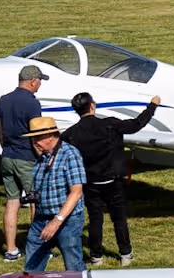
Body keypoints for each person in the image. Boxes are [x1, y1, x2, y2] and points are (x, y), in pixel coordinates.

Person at [0, 117, 87, 278]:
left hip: (66, 221)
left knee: (73, 268)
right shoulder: (43, 157)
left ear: (50, 136)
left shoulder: (70, 154)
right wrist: (33, 214)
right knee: (31, 269)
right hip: (42, 221)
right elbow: (39, 192)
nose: (34, 143)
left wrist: (56, 222)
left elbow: (76, 192)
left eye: (37, 138)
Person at [62, 91, 159, 266]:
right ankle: (125, 254)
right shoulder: (109, 125)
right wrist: (152, 106)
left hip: (90, 182)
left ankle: (96, 256)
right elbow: (136, 124)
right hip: (112, 181)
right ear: (92, 106)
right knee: (119, 218)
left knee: (95, 219)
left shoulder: (71, 133)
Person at [0, 65, 48, 262]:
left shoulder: (3, 100)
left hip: (7, 156)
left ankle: (10, 249)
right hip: (27, 158)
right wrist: (42, 154)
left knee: (12, 202)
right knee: (36, 202)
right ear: (33, 81)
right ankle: (35, 249)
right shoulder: (33, 103)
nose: (40, 85)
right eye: (40, 81)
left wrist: (5, 148)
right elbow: (37, 134)